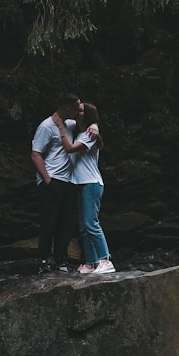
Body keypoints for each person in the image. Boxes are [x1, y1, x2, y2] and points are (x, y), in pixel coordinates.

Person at [54, 102, 115, 274]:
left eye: (79, 111)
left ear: (86, 115)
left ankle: (105, 259)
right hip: (78, 183)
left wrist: (94, 125)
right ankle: (90, 262)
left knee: (91, 223)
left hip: (91, 183)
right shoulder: (76, 128)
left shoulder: (90, 134)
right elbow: (62, 118)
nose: (76, 112)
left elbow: (70, 148)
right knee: (82, 227)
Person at [31, 93, 82, 273]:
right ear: (68, 108)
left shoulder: (69, 124)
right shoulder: (46, 126)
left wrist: (96, 128)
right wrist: (47, 180)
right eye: (77, 108)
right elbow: (36, 154)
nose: (78, 112)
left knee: (66, 222)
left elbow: (88, 121)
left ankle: (61, 259)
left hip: (68, 181)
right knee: (49, 221)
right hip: (52, 179)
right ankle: (44, 259)